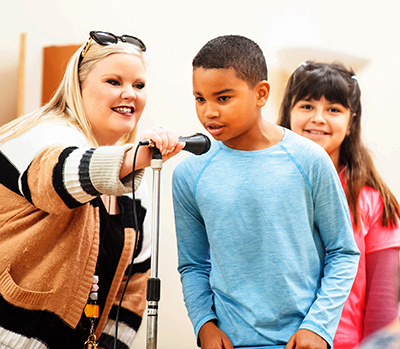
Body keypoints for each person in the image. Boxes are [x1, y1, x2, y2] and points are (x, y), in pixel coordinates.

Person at [172, 35, 360, 349]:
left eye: (223, 98)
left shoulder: (309, 159)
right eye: (199, 99)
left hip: (301, 340)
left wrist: (318, 327)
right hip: (230, 342)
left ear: (261, 93)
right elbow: (193, 264)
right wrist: (203, 323)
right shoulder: (189, 173)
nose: (209, 112)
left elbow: (343, 252)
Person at [0, 30, 184, 349]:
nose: (130, 94)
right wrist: (139, 156)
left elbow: (133, 287)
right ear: (79, 86)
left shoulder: (133, 189)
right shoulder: (39, 136)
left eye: (138, 85)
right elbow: (57, 177)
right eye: (114, 82)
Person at [277, 61, 400, 348]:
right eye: (307, 106)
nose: (318, 118)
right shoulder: (263, 187)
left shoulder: (373, 201)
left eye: (333, 109)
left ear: (351, 122)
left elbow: (381, 302)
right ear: (288, 114)